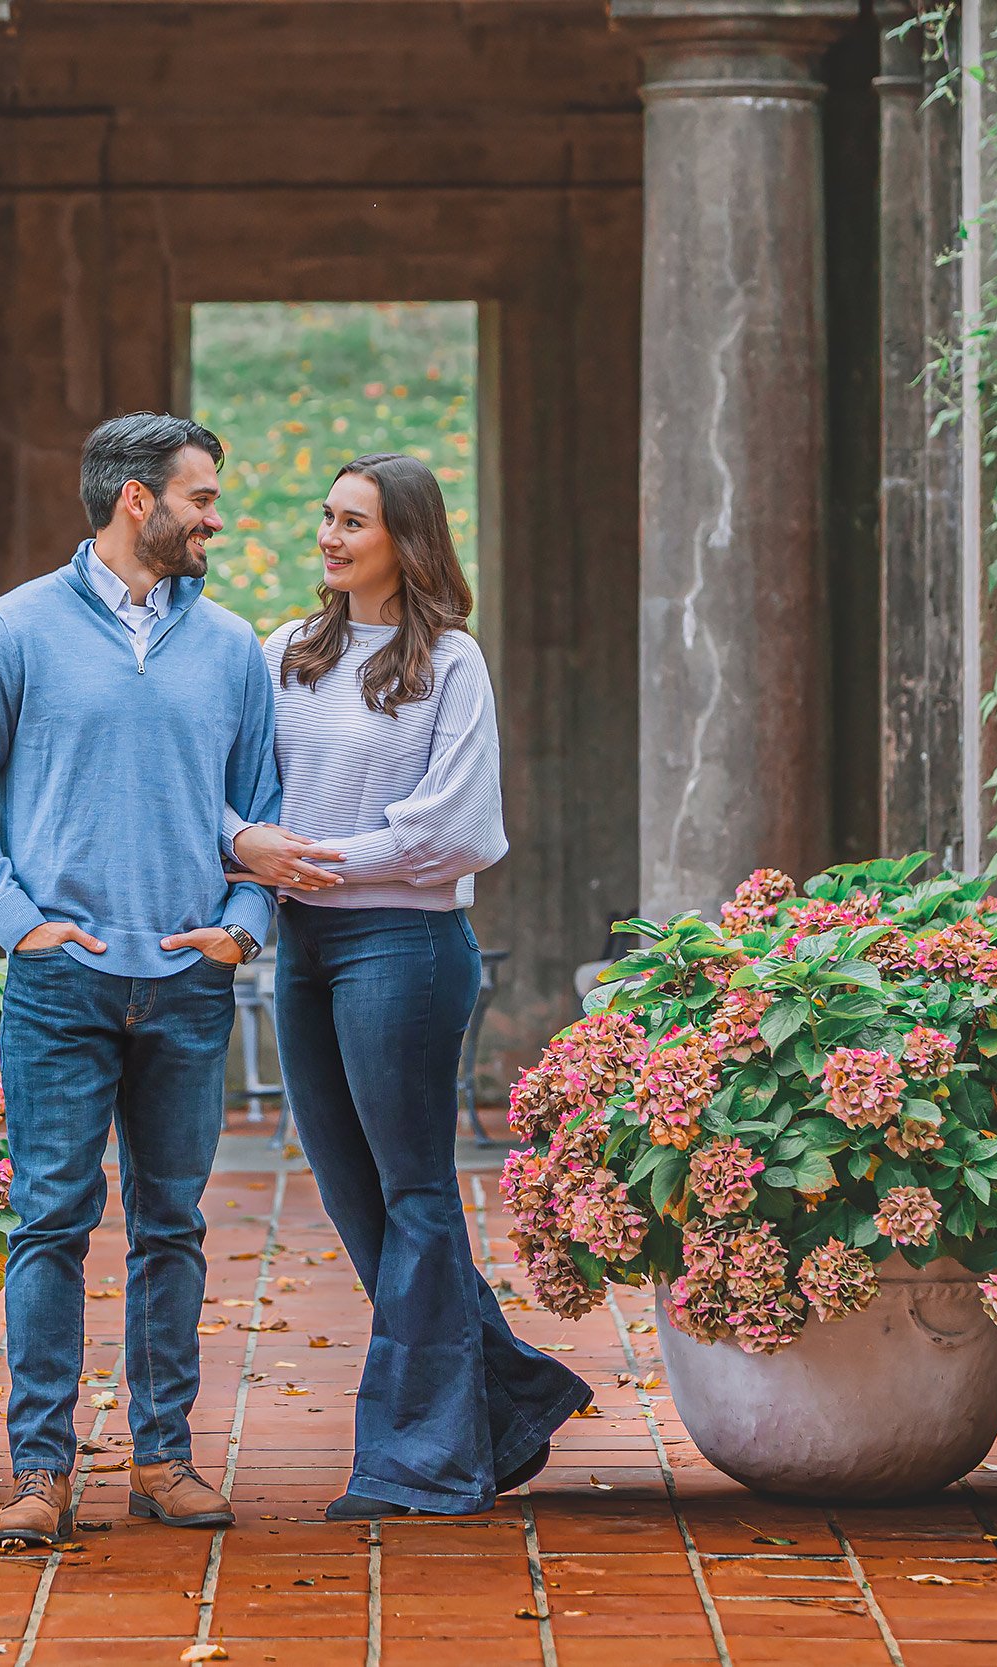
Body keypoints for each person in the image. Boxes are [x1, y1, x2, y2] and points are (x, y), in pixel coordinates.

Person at [0, 413, 280, 1548]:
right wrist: (18, 923)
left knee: (170, 1224)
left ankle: (165, 1459)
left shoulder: (230, 646)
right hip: (59, 984)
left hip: (185, 984)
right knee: (50, 1225)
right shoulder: (14, 628)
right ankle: (40, 1468)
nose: (215, 516)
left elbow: (261, 814)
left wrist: (242, 923)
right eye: (200, 497)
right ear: (138, 500)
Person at [225, 453, 592, 1519]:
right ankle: (510, 1398)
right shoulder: (282, 652)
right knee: (355, 1195)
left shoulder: (451, 663)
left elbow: (459, 827)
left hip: (405, 949)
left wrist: (313, 858)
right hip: (308, 948)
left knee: (415, 1192)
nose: (330, 538)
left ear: (407, 540)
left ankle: (418, 1459)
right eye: (326, 518)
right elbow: (227, 785)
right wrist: (249, 846)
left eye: (354, 522)